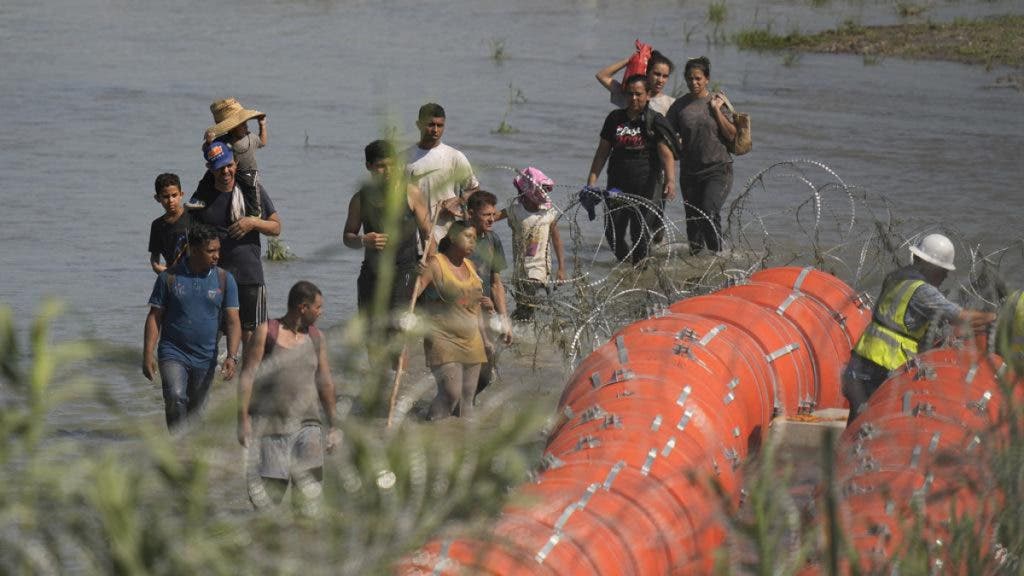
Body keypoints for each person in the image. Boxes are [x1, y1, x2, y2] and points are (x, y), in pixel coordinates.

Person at [842, 233, 996, 426]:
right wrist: (995, 318)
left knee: (856, 427)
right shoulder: (923, 291)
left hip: (861, 361)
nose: (946, 275)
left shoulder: (897, 279)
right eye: (943, 269)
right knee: (872, 426)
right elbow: (959, 317)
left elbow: (911, 319)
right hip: (881, 366)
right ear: (931, 266)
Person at [237, 280, 340, 515]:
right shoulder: (267, 332)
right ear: (302, 308)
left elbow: (325, 381)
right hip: (272, 427)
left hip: (309, 427)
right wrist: (242, 419)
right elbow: (247, 377)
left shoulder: (317, 338)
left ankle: (304, 546)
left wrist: (334, 425)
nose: (321, 312)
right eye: (318, 307)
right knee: (267, 503)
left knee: (308, 503)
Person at [143, 223, 241, 431]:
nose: (216, 256)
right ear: (194, 250)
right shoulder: (168, 278)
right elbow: (154, 317)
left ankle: (189, 454)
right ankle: (177, 447)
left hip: (205, 356)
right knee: (176, 397)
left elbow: (233, 321)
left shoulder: (225, 279)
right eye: (210, 251)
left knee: (197, 414)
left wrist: (232, 356)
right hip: (172, 352)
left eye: (218, 250)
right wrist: (147, 353)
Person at [343, 139, 432, 365]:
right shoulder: (360, 199)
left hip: (404, 271)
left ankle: (397, 389)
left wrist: (428, 266)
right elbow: (348, 238)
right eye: (382, 166)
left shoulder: (411, 194)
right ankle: (377, 389)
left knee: (396, 335)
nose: (388, 171)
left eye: (393, 165)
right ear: (369, 167)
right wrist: (364, 240)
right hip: (371, 274)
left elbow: (428, 236)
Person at [190, 138, 282, 354]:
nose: (225, 172)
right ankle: (210, 384)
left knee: (253, 337)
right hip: (213, 277)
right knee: (208, 334)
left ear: (236, 164)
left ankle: (249, 385)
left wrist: (252, 222)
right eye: (219, 168)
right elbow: (190, 241)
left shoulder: (252, 191)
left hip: (249, 275)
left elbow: (276, 227)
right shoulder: (201, 198)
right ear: (210, 169)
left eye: (229, 165)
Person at [586, 75, 678, 265]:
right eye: (630, 94)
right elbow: (602, 152)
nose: (634, 98)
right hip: (617, 185)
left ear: (648, 95)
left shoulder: (655, 121)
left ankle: (640, 273)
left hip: (647, 186)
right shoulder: (615, 119)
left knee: (639, 232)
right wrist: (591, 182)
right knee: (613, 233)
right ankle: (626, 269)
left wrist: (670, 180)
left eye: (638, 94)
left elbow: (666, 154)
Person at [413, 221, 487, 420]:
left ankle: (464, 442)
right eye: (468, 237)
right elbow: (415, 293)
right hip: (442, 337)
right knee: (450, 393)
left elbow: (475, 307)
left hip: (472, 339)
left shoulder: (471, 266)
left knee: (467, 399)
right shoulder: (436, 264)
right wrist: (415, 276)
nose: (473, 243)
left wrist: (486, 340)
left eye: (475, 239)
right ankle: (430, 430)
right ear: (453, 237)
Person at [666, 56, 736, 255]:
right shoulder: (679, 106)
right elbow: (666, 135)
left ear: (707, 79)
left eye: (698, 78)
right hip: (690, 174)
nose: (693, 83)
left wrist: (716, 110)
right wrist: (674, 144)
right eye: (689, 79)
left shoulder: (718, 102)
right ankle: (697, 267)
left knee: (709, 210)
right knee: (694, 227)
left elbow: (731, 134)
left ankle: (719, 258)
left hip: (718, 170)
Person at [405, 102, 480, 241]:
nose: (435, 130)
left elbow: (474, 189)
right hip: (411, 239)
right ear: (418, 124)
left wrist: (457, 201)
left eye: (440, 125)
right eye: (430, 124)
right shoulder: (404, 158)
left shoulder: (454, 156)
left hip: (445, 237)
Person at [466, 190, 513, 399]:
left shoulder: (493, 240)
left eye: (493, 214)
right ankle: (454, 411)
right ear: (471, 214)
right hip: (462, 312)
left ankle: (461, 409)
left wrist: (504, 319)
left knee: (485, 376)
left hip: (486, 311)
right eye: (486, 215)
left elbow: (496, 284)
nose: (492, 219)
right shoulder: (458, 238)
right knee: (466, 369)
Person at [188, 98, 269, 218]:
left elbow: (262, 142)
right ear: (232, 127)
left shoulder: (250, 137)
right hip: (228, 168)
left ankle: (255, 212)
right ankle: (197, 198)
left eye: (246, 123)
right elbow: (209, 151)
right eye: (242, 124)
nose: (246, 126)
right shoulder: (223, 140)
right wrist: (209, 143)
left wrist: (262, 126)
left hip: (248, 170)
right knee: (207, 178)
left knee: (251, 189)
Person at [505, 168, 566, 320]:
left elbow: (557, 240)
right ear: (527, 191)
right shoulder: (515, 211)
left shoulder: (548, 213)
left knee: (531, 302)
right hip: (520, 269)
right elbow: (491, 217)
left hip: (540, 269)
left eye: (546, 190)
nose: (544, 194)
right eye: (541, 190)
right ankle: (516, 332)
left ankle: (511, 329)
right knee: (524, 309)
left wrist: (561, 268)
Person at [596, 49, 676, 115]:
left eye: (665, 76)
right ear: (647, 72)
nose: (660, 80)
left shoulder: (670, 103)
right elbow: (602, 75)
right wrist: (631, 60)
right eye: (657, 74)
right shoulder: (630, 95)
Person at [148, 173, 192, 274]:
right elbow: (155, 259)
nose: (171, 200)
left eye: (174, 195)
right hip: (172, 275)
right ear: (157, 198)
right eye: (166, 197)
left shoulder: (193, 217)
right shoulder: (157, 226)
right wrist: (161, 270)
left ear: (181, 195)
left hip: (195, 275)